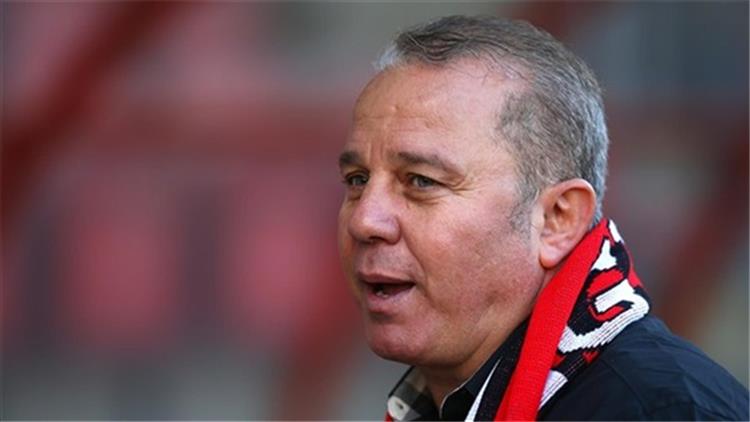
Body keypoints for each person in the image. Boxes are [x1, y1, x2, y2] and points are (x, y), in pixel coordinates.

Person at [336, 15, 748, 421]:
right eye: (357, 180)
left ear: (556, 220)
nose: (365, 220)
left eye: (421, 181)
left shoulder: (663, 412)